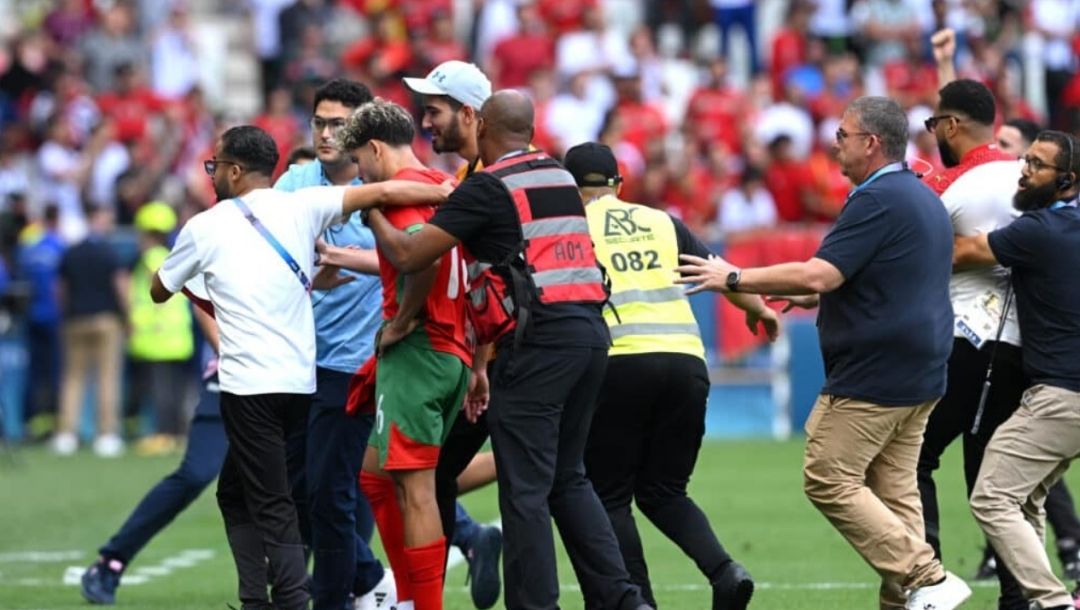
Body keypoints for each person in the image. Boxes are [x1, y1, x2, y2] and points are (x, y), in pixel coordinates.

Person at [675, 96, 971, 610]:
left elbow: (821, 271)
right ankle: (907, 599)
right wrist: (819, 295)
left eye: (842, 136)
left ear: (871, 143)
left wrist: (736, 277)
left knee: (827, 474)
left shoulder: (875, 200)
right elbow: (877, 279)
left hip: (876, 372)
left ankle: (927, 575)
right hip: (923, 370)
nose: (834, 145)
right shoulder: (920, 196)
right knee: (895, 490)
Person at [364, 89, 651, 610]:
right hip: (590, 333)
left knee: (524, 490)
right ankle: (625, 600)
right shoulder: (558, 175)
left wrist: (372, 206)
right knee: (568, 478)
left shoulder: (491, 186)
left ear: (484, 126)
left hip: (537, 343)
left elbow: (410, 254)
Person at [149, 125, 448, 610]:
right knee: (236, 492)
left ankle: (287, 599)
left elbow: (159, 289)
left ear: (235, 170)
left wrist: (187, 275)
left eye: (215, 167)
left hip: (249, 386)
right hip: (301, 382)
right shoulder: (304, 203)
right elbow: (390, 189)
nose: (213, 175)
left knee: (272, 500)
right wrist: (446, 190)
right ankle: (254, 598)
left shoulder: (205, 227)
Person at [564, 142, 775, 609]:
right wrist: (760, 309)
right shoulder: (662, 221)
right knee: (664, 490)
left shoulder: (572, 227)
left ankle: (639, 603)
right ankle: (724, 572)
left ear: (569, 188)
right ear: (619, 185)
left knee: (609, 495)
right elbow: (717, 272)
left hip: (619, 363)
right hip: (685, 363)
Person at [341, 98, 473, 610]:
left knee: (417, 491)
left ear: (374, 148)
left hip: (420, 351)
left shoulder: (399, 199)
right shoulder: (439, 184)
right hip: (451, 349)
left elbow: (422, 261)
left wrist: (401, 321)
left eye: (358, 161)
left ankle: (423, 604)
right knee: (374, 476)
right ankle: (408, 595)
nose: (359, 172)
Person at [272, 78, 389, 610]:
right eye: (318, 121)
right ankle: (367, 578)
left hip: (353, 362)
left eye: (337, 123)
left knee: (328, 491)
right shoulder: (295, 183)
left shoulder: (386, 190)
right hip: (296, 359)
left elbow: (411, 259)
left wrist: (340, 259)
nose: (324, 133)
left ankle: (335, 600)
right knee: (294, 490)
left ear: (362, 125)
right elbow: (264, 250)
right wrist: (303, 273)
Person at [916, 78, 1029, 609]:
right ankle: (1016, 595)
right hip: (1027, 344)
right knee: (993, 476)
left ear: (952, 125)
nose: (933, 132)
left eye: (934, 123)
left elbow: (915, 253)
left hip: (969, 339)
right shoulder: (1028, 176)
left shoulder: (953, 186)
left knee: (912, 455)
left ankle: (928, 580)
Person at [957, 130, 1080, 610]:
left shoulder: (1039, 231)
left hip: (1060, 397)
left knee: (990, 497)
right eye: (1024, 159)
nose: (1023, 170)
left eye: (1036, 164)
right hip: (1067, 399)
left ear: (1066, 180)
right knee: (1024, 499)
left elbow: (961, 253)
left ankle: (1050, 603)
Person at [403, 59, 504, 608]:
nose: (425, 122)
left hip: (501, 358)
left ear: (469, 114)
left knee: (425, 474)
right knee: (433, 475)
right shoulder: (465, 182)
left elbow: (493, 279)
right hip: (486, 357)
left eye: (434, 110)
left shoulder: (486, 185)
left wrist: (481, 366)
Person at [81, 303, 224, 605]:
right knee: (195, 474)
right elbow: (199, 296)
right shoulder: (229, 255)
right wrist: (228, 351)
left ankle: (342, 579)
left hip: (296, 379)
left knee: (308, 477)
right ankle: (113, 560)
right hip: (231, 378)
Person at [53, 205, 127, 457]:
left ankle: (67, 434)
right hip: (105, 319)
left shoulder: (71, 252)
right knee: (107, 378)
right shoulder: (109, 252)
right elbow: (121, 286)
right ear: (98, 219)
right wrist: (127, 317)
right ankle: (106, 435)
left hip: (75, 319)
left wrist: (65, 313)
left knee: (73, 379)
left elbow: (60, 289)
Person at [125, 201, 194, 454]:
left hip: (157, 336)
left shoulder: (150, 258)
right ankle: (176, 434)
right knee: (175, 389)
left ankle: (163, 434)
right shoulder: (172, 256)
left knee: (161, 389)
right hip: (177, 335)